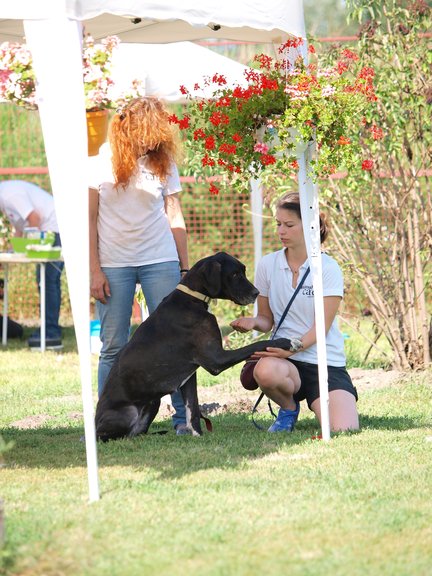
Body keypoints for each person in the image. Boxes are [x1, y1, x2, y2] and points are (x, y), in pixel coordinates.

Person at [88, 96, 189, 434]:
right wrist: (94, 270)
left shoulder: (164, 162)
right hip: (113, 264)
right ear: (127, 127)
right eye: (146, 132)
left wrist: (184, 268)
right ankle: (107, 420)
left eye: (157, 133)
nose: (151, 140)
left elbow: (174, 215)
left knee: (174, 340)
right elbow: (89, 220)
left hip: (160, 258)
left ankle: (184, 419)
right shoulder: (98, 164)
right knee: (113, 345)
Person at [230, 192, 359, 433]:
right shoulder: (267, 265)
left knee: (344, 429)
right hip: (284, 361)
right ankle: (288, 408)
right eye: (278, 224)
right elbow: (266, 320)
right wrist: (253, 322)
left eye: (289, 225)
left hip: (324, 362)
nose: (281, 231)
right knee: (265, 370)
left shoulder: (328, 268)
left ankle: (334, 395)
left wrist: (293, 347)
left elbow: (321, 327)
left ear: (310, 226)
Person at [0, 179, 63, 349]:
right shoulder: (5, 199)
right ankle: (51, 327)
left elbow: (35, 219)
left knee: (48, 281)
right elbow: (20, 228)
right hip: (49, 229)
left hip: (53, 229)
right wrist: (11, 252)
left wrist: (30, 245)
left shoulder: (9, 195)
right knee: (47, 281)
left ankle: (50, 331)